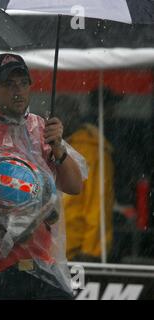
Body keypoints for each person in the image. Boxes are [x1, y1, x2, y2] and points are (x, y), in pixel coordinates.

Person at [0, 53, 87, 299]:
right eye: (8, 84)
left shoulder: (42, 128)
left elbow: (74, 186)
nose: (18, 91)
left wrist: (58, 147)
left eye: (22, 83)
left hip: (40, 265)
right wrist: (10, 222)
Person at [55, 95, 114, 262]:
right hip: (51, 250)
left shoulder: (92, 150)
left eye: (64, 114)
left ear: (76, 115)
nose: (60, 121)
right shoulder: (52, 145)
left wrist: (92, 251)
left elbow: (99, 203)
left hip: (77, 253)